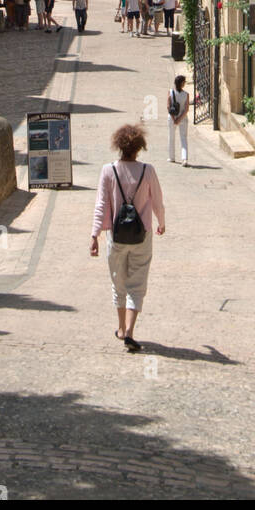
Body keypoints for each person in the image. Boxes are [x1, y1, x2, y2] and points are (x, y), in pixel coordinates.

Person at [90, 124, 165, 352]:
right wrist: (161, 223)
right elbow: (158, 201)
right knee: (137, 283)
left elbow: (101, 205)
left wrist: (94, 235)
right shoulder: (148, 171)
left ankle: (121, 328)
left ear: (119, 146)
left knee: (118, 282)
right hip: (141, 236)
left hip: (116, 236)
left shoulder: (108, 171)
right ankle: (130, 331)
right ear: (139, 147)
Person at [167, 75, 191, 166]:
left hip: (172, 117)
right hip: (183, 118)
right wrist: (180, 119)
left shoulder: (170, 92)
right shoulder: (186, 95)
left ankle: (171, 157)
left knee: (171, 137)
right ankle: (184, 159)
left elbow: (168, 106)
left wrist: (174, 119)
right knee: (183, 138)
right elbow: (186, 109)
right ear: (182, 83)